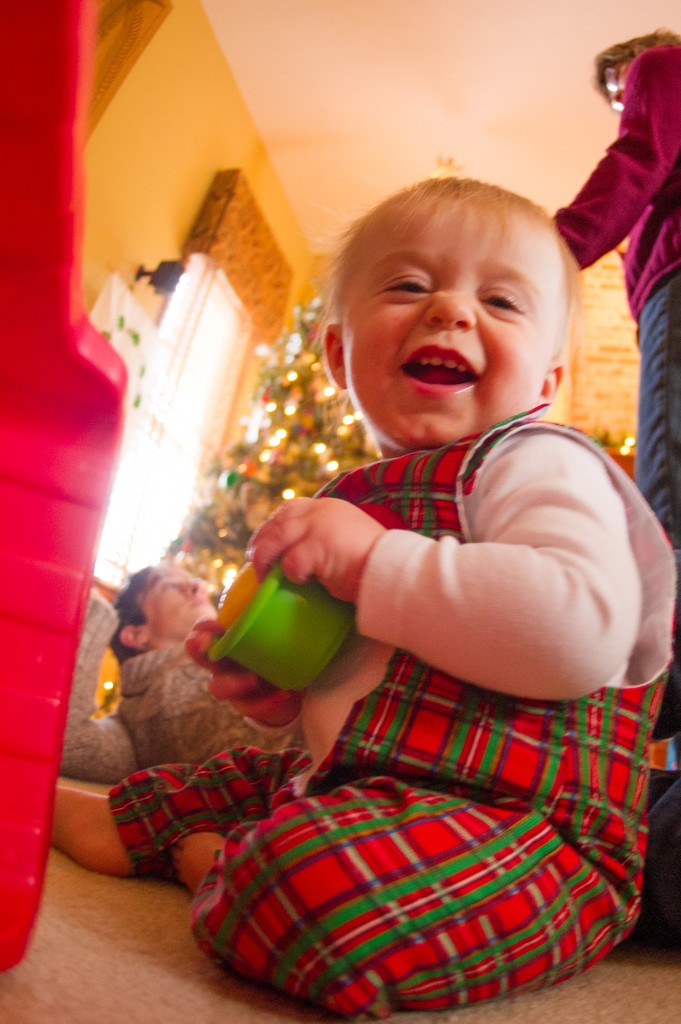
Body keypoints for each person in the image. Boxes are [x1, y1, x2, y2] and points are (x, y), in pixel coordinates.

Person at [52, 177, 674, 1018]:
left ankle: (225, 865)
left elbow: (580, 631)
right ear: (340, 355)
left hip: (529, 831)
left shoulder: (536, 461)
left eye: (499, 298)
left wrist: (373, 562)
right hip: (369, 779)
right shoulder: (353, 495)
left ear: (546, 379)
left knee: (308, 887)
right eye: (409, 285)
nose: (451, 310)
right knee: (216, 778)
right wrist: (283, 685)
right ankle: (107, 818)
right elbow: (374, 669)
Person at [555, 28, 681, 548]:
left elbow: (635, 159)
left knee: (669, 475)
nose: (620, 102)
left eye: (618, 87)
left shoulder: (662, 63)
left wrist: (552, 252)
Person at [60, 563, 293, 784]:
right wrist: (89, 606)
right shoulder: (133, 724)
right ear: (135, 635)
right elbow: (69, 742)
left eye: (194, 580)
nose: (197, 587)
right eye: (169, 585)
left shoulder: (256, 638)